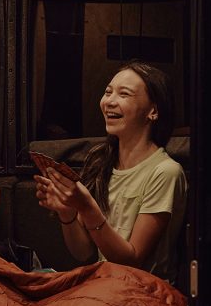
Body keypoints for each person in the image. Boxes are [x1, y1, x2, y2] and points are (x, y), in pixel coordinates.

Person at [35, 61, 187, 282]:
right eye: (108, 92)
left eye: (124, 94)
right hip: (105, 286)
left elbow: (132, 262)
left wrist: (87, 207)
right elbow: (83, 252)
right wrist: (66, 213)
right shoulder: (101, 161)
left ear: (152, 111)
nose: (109, 101)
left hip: (144, 291)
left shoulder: (165, 172)